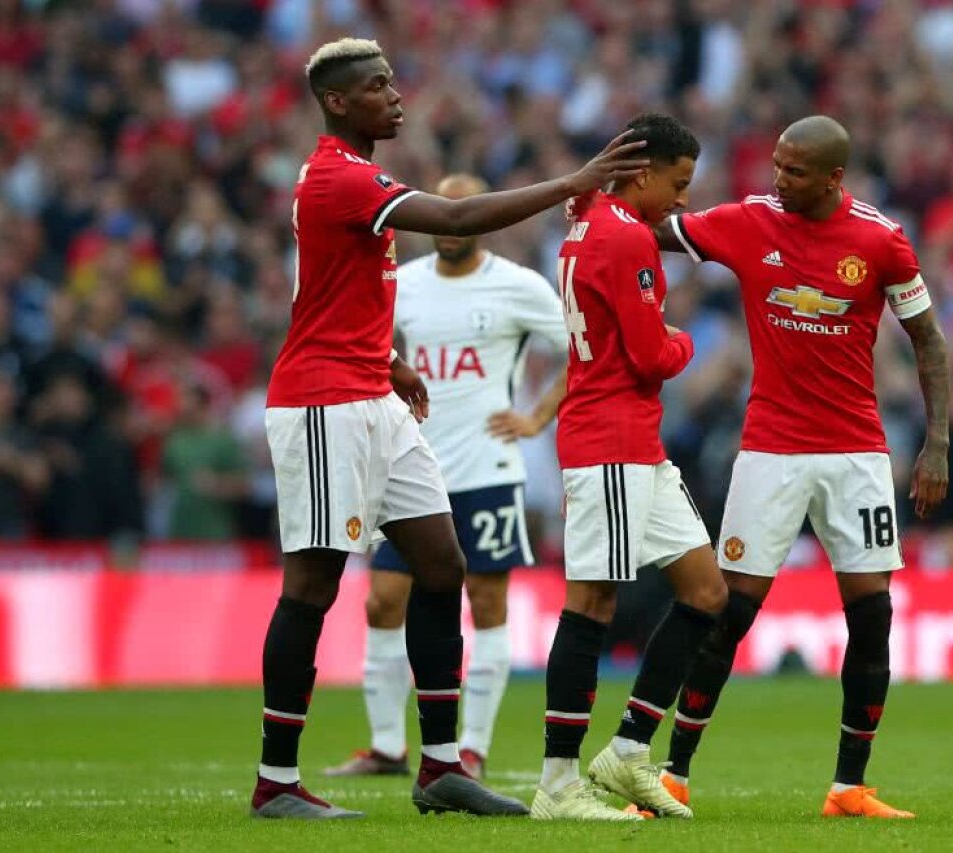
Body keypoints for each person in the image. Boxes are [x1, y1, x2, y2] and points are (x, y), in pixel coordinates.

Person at [251, 37, 647, 820]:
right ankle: (276, 779)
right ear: (337, 101)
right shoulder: (339, 176)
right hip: (324, 402)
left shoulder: (353, 176)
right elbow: (459, 215)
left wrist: (388, 359)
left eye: (392, 81)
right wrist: (573, 182)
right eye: (377, 86)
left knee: (441, 564)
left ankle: (439, 767)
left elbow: (330, 289)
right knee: (313, 585)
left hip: (373, 392)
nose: (395, 95)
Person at [655, 115, 950, 819]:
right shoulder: (749, 221)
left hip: (856, 454)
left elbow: (928, 340)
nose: (779, 180)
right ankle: (672, 775)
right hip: (771, 449)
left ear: (833, 178)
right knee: (731, 612)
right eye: (777, 166)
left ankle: (849, 787)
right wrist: (595, 207)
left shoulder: (880, 239)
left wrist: (937, 442)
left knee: (872, 617)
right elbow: (656, 230)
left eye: (794, 171)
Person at [324, 173, 569, 782]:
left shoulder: (518, 286)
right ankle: (387, 747)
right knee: (384, 600)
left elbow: (582, 347)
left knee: (485, 601)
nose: (451, 222)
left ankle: (473, 747)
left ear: (482, 217)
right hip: (411, 469)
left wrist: (538, 416)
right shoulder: (404, 284)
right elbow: (368, 347)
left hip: (487, 469)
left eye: (464, 209)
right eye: (444, 208)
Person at [529, 113, 727, 822]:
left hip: (636, 443)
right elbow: (650, 357)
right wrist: (685, 343)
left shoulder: (587, 219)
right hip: (608, 439)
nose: (683, 199)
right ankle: (557, 782)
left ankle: (628, 749)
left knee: (706, 591)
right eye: (678, 182)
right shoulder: (627, 236)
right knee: (591, 604)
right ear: (642, 173)